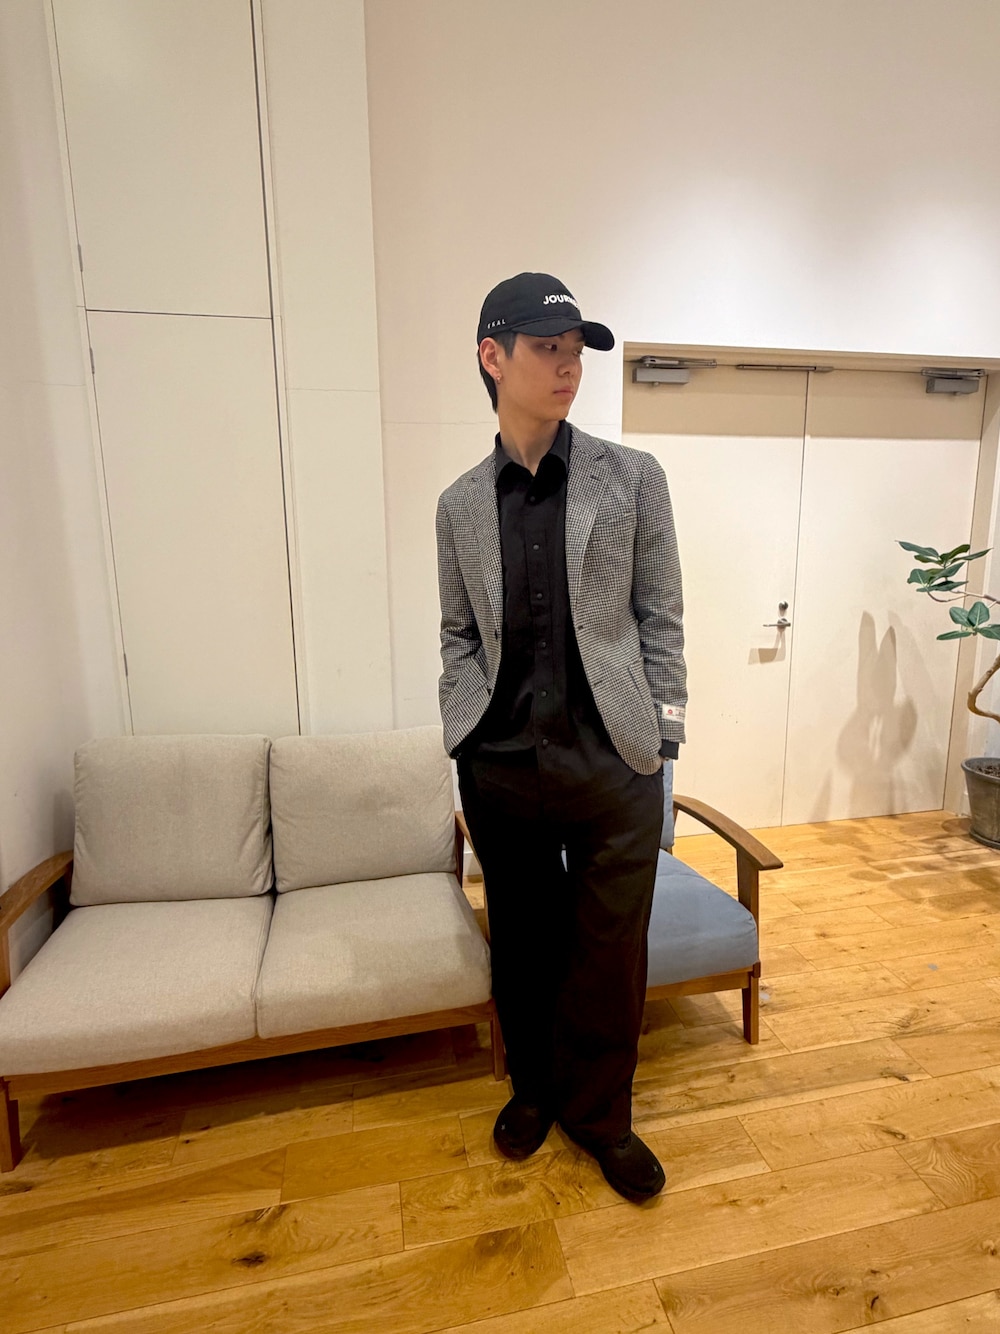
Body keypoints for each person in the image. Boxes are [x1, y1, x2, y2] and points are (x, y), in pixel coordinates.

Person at [435, 272, 686, 1203]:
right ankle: (534, 1090)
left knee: (611, 950)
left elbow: (662, 618)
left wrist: (665, 740)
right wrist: (463, 729)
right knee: (525, 941)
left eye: (576, 350)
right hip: (502, 766)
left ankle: (602, 1115)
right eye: (548, 348)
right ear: (492, 357)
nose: (569, 365)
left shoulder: (633, 479)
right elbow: (459, 633)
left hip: (615, 761)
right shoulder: (459, 504)